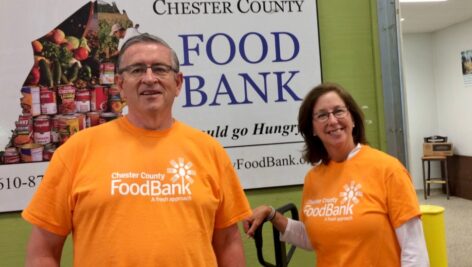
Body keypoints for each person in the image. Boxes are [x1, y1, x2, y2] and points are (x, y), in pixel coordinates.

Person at [22, 33, 252, 266]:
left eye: (160, 69)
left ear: (178, 83)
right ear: (120, 85)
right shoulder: (77, 151)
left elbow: (228, 242)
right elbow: (43, 251)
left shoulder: (209, 151)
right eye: (137, 70)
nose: (149, 78)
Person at [244, 83, 429, 267]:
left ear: (353, 119)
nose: (332, 121)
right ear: (313, 129)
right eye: (322, 115)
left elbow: (415, 250)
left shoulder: (388, 169)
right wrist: (272, 215)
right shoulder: (313, 179)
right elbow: (313, 237)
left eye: (339, 111)